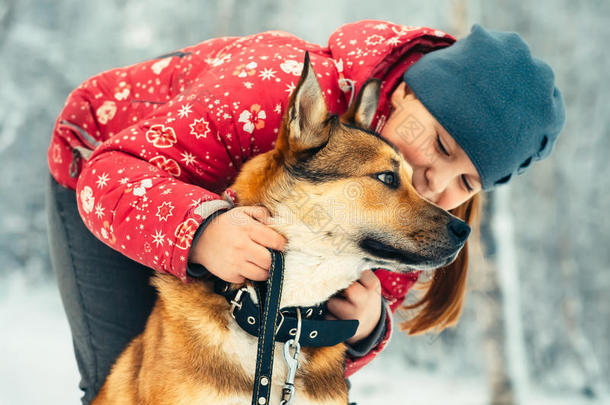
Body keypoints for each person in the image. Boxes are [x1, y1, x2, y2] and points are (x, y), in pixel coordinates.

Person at [46, 20, 565, 404]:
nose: (435, 184)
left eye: (467, 183)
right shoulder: (273, 86)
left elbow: (314, 332)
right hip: (114, 173)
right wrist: (201, 231)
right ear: (407, 94)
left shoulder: (404, 205)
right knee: (126, 376)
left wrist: (362, 328)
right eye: (442, 146)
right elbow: (110, 174)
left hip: (242, 224)